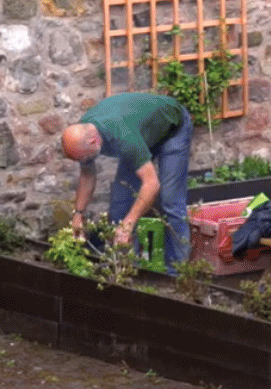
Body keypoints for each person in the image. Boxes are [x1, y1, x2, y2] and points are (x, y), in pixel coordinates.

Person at [61, 92, 193, 272]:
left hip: (172, 129)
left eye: (82, 158)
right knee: (120, 205)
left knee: (170, 200)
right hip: (141, 134)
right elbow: (87, 173)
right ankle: (127, 268)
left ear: (93, 141)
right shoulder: (84, 131)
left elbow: (151, 184)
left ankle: (177, 272)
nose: (82, 162)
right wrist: (78, 214)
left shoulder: (122, 137)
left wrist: (128, 223)